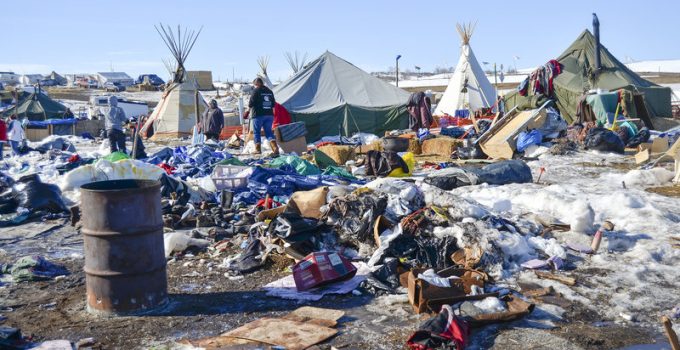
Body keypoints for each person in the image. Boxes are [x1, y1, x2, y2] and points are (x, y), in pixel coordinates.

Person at [248, 77, 278, 155]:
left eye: (254, 85)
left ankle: (258, 149)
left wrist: (247, 111)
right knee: (269, 132)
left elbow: (251, 103)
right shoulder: (270, 91)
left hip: (258, 115)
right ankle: (275, 148)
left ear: (256, 84)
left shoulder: (256, 91)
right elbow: (273, 104)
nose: (253, 87)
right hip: (269, 115)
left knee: (257, 132)